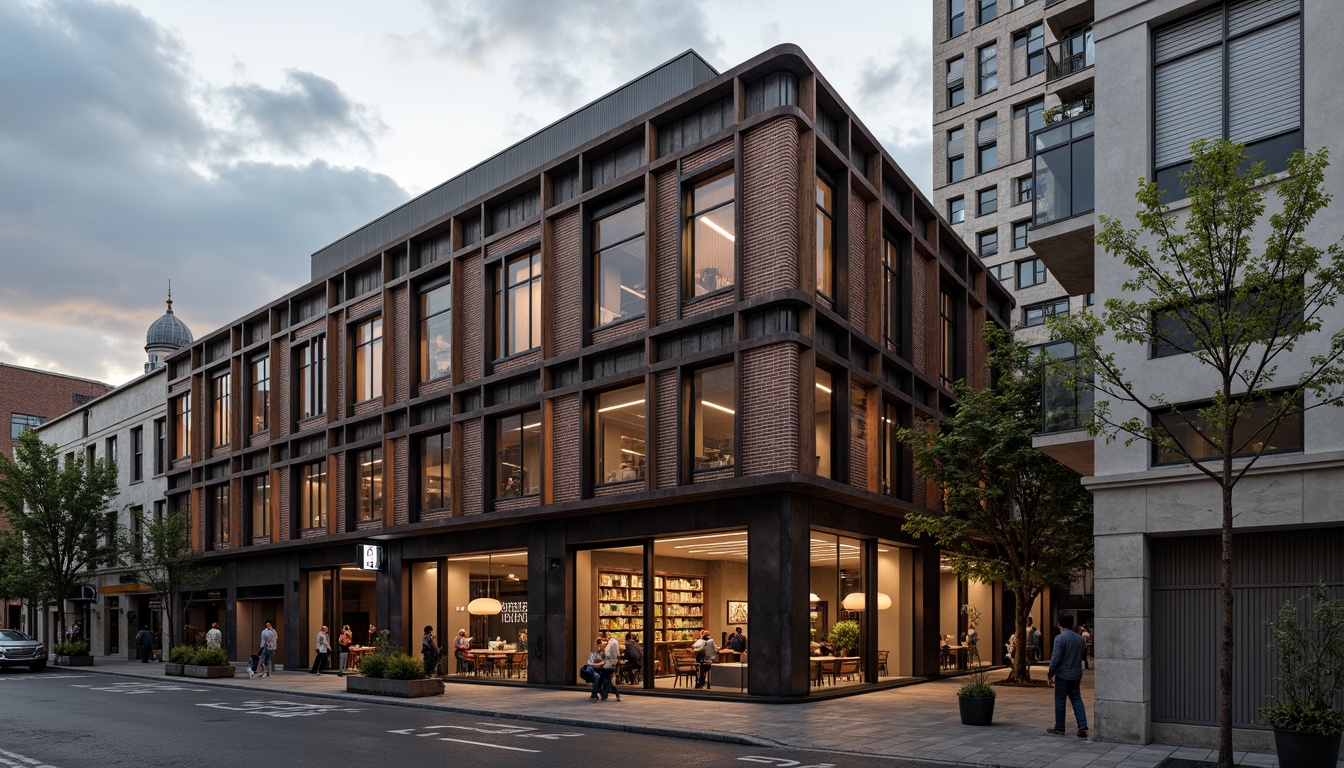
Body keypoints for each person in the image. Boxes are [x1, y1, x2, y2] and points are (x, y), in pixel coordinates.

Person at [1046, 614, 1089, 738]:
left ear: (1060, 624)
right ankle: (1082, 725)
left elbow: (1055, 658)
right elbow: (1082, 656)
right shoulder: (1080, 639)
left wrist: (1050, 673)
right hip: (1076, 675)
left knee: (1060, 701)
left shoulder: (1060, 638)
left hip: (1063, 675)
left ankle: (1060, 727)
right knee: (1077, 699)